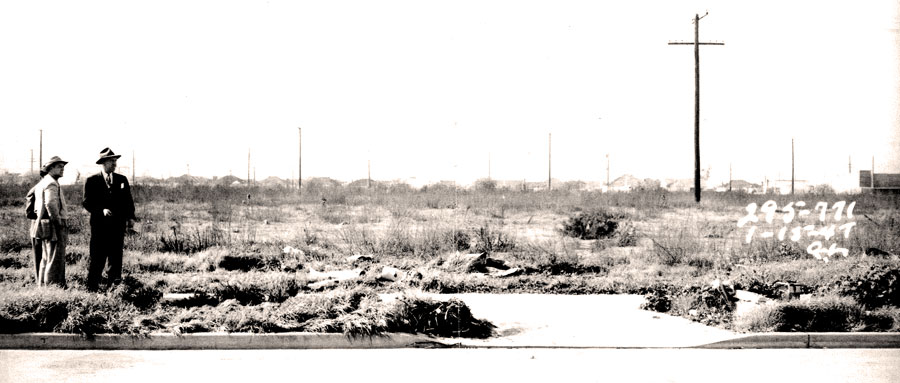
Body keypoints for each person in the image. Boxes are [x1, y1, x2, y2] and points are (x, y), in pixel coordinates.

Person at [82, 148, 135, 291]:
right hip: (99, 227)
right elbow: (87, 202)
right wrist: (101, 210)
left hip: (118, 226)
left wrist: (130, 217)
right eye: (112, 161)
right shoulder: (92, 181)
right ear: (103, 163)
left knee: (116, 258)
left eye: (115, 161)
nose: (115, 164)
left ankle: (114, 288)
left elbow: (128, 201)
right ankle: (92, 289)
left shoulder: (121, 180)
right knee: (97, 258)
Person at [29, 156, 69, 287]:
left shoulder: (43, 182)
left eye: (63, 167)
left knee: (46, 258)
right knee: (55, 259)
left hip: (44, 224)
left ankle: (43, 287)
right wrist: (58, 222)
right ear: (50, 169)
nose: (62, 169)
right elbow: (51, 204)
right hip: (53, 224)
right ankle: (53, 287)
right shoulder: (51, 183)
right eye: (59, 167)